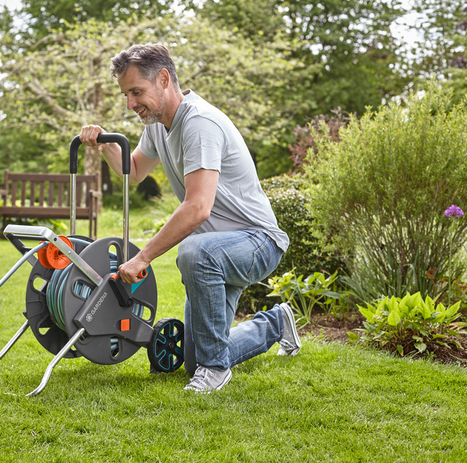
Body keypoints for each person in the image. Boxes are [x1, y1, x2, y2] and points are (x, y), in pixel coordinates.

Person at [79, 43, 301, 392]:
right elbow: (134, 171)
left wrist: (142, 258)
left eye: (136, 92)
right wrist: (107, 145)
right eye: (126, 94)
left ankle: (217, 371)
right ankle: (275, 324)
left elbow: (198, 208)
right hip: (216, 249)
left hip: (256, 241)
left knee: (195, 252)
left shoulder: (199, 122)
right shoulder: (157, 124)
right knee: (193, 359)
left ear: (164, 79)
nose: (130, 104)